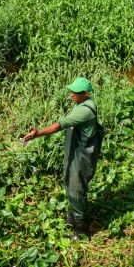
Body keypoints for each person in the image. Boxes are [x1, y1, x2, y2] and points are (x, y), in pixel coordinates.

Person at [23, 77, 103, 239]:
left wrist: (38, 134)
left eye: (76, 92)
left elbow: (59, 125)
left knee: (76, 186)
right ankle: (74, 215)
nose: (72, 94)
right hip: (75, 152)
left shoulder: (84, 110)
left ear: (86, 94)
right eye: (72, 90)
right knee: (69, 180)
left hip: (82, 155)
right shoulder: (80, 103)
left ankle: (81, 229)